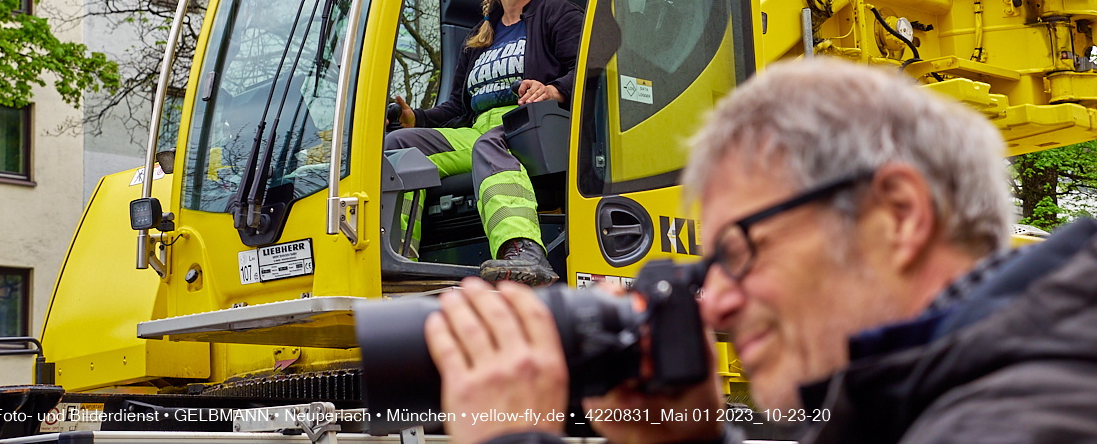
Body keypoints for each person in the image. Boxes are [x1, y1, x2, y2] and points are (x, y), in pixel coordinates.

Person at [424, 59, 1097, 444]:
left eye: (740, 252)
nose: (713, 305)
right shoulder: (919, 408)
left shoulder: (1029, 420)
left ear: (897, 216)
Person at [386, 0, 582, 286]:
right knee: (398, 146)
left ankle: (523, 250)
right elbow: (457, 110)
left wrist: (553, 90)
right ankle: (398, 256)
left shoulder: (558, 15)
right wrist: (418, 119)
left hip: (528, 124)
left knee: (490, 144)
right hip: (476, 130)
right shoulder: (479, 37)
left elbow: (588, 67)